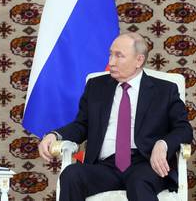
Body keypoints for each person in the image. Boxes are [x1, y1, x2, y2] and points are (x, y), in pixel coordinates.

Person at [38, 32, 192, 201]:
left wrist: (163, 144)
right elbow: (82, 125)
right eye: (110, 54)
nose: (111, 62)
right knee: (72, 174)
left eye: (119, 56)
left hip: (145, 164)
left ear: (138, 60)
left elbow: (183, 129)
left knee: (138, 181)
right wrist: (55, 135)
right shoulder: (96, 86)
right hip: (106, 166)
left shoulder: (165, 90)